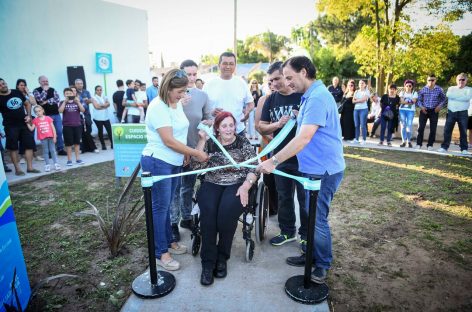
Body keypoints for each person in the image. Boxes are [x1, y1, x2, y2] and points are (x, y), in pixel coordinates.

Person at [257, 56, 345, 284]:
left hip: (323, 170)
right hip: (313, 169)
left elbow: (303, 138)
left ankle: (321, 264)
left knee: (317, 219)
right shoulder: (310, 97)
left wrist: (273, 161)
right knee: (311, 212)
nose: (286, 83)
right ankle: (311, 255)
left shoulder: (316, 98)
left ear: (303, 72)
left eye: (289, 77)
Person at [140, 69, 208, 272]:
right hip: (158, 161)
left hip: (175, 161)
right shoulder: (157, 107)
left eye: (184, 90)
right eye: (179, 91)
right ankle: (160, 253)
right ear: (167, 87)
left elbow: (179, 132)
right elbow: (168, 140)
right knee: (159, 209)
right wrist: (196, 152)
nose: (183, 95)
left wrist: (185, 154)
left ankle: (169, 242)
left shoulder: (175, 103)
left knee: (168, 205)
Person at [192, 111, 258, 286]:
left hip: (237, 183)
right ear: (217, 129)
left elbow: (254, 167)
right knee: (208, 217)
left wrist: (246, 186)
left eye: (231, 125)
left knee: (225, 215)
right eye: (224, 126)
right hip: (212, 181)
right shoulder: (210, 142)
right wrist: (202, 140)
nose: (229, 129)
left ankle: (222, 257)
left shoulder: (243, 142)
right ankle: (207, 264)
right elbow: (196, 164)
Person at [258, 61, 307, 254]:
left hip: (303, 158)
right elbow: (261, 126)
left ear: (286, 76)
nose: (275, 84)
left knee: (304, 199)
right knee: (284, 196)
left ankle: (305, 236)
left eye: (277, 79)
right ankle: (287, 232)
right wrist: (277, 124)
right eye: (271, 81)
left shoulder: (302, 96)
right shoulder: (271, 99)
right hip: (279, 157)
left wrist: (299, 117)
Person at [170, 59, 212, 242]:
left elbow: (208, 118)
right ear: (180, 74)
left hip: (194, 149)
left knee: (187, 186)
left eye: (195, 74)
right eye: (188, 74)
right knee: (174, 188)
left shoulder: (202, 96)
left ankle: (186, 218)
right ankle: (172, 223)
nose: (192, 78)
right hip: (174, 150)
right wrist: (179, 103)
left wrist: (207, 122)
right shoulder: (171, 95)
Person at [203, 52, 254, 135]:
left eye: (231, 64)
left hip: (238, 131)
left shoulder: (241, 83)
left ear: (235, 66)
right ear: (219, 65)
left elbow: (250, 103)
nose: (228, 67)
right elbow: (202, 108)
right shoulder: (209, 84)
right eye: (225, 63)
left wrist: (247, 112)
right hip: (216, 133)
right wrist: (211, 112)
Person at [0, 78, 39, 175]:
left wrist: (29, 116)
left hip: (23, 123)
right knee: (13, 148)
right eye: (0, 85)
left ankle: (30, 168)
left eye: (3, 83)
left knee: (29, 145)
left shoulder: (16, 92)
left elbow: (27, 104)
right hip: (10, 126)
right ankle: (18, 169)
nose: (3, 85)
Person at [438, 73, 472, 155]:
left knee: (463, 131)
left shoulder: (469, 89)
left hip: (463, 113)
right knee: (447, 131)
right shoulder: (451, 88)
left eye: (463, 79)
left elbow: (467, 98)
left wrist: (455, 96)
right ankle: (444, 147)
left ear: (466, 80)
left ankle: (464, 149)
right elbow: (449, 95)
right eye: (459, 79)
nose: (461, 81)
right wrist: (461, 97)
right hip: (451, 112)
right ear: (456, 80)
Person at [33, 75, 66, 155]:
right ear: (39, 82)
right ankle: (50, 151)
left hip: (56, 114)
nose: (45, 82)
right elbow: (40, 100)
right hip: (45, 116)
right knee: (48, 134)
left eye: (46, 81)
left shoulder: (52, 89)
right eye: (43, 81)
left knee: (59, 131)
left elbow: (57, 99)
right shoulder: (36, 90)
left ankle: (60, 149)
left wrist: (47, 101)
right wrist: (44, 91)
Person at [416, 74, 446, 150]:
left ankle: (430, 145)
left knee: (433, 129)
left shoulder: (439, 89)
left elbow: (443, 99)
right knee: (421, 128)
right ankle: (418, 144)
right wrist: (422, 107)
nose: (431, 82)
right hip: (424, 110)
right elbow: (419, 100)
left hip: (434, 111)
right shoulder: (423, 89)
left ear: (435, 80)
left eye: (432, 80)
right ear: (427, 80)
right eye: (429, 80)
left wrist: (439, 106)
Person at [26, 106, 60, 171]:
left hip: (51, 137)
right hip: (43, 138)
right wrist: (27, 123)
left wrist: (55, 136)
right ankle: (47, 165)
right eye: (36, 112)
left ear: (42, 110)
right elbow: (31, 129)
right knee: (45, 151)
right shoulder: (35, 120)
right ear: (35, 113)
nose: (38, 113)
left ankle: (56, 164)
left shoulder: (48, 118)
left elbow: (53, 128)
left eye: (39, 111)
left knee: (53, 150)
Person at [16, 79, 42, 163]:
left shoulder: (28, 95)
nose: (23, 87)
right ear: (17, 86)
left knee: (31, 137)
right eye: (21, 85)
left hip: (31, 118)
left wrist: (29, 93)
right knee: (21, 138)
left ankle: (35, 155)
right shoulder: (15, 95)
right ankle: (22, 157)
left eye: (24, 85)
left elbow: (34, 103)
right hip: (20, 119)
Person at [59, 88, 86, 166]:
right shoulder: (62, 102)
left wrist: (78, 102)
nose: (68, 95)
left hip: (77, 125)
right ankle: (69, 160)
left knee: (77, 143)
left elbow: (83, 110)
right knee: (68, 144)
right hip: (67, 126)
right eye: (66, 93)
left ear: (73, 94)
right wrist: (65, 102)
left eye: (70, 93)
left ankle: (78, 159)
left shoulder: (76, 102)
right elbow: (60, 111)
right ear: (64, 95)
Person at [75, 79, 99, 154]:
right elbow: (81, 102)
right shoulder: (74, 93)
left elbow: (89, 101)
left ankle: (90, 148)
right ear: (75, 84)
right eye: (78, 84)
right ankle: (86, 148)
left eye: (81, 83)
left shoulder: (86, 92)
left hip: (87, 114)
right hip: (78, 115)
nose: (80, 85)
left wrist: (86, 100)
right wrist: (86, 100)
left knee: (88, 130)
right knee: (82, 131)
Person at [92, 85, 113, 150]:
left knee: (109, 131)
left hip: (106, 117)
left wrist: (101, 105)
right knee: (100, 131)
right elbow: (96, 107)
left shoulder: (105, 96)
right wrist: (104, 105)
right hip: (98, 118)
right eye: (98, 90)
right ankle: (103, 145)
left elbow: (109, 104)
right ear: (95, 91)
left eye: (100, 90)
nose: (99, 91)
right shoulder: (93, 97)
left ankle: (112, 144)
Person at [398, 80, 418, 148]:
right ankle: (403, 141)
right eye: (407, 86)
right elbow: (402, 101)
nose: (408, 87)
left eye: (410, 86)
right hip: (402, 110)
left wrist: (406, 101)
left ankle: (409, 141)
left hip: (410, 111)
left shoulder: (414, 93)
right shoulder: (402, 92)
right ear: (404, 86)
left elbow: (414, 101)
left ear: (412, 87)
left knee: (409, 126)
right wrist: (410, 101)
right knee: (403, 126)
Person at [351, 79, 370, 145]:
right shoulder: (356, 91)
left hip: (363, 109)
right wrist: (359, 100)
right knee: (356, 125)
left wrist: (357, 100)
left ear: (365, 85)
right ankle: (356, 139)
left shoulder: (367, 91)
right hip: (356, 109)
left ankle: (364, 139)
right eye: (360, 83)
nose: (361, 84)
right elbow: (353, 101)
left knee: (362, 125)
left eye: (362, 83)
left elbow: (364, 100)